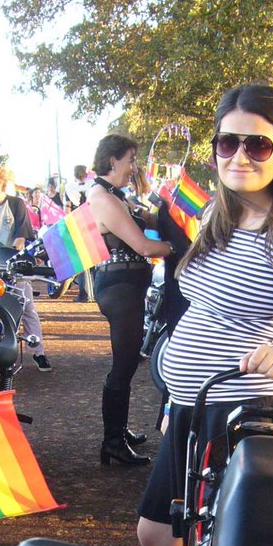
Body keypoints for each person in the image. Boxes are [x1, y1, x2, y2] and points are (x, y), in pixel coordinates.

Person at [136, 83, 273, 546]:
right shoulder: (215, 215)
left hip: (246, 414)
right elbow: (199, 310)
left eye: (257, 144)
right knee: (159, 536)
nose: (239, 156)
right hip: (191, 406)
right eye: (227, 142)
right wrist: (171, 407)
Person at [88, 134, 173, 466]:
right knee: (123, 364)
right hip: (119, 288)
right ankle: (112, 441)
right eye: (130, 160)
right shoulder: (103, 198)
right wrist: (184, 248)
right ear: (112, 161)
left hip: (125, 287)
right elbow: (144, 246)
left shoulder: (112, 194)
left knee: (125, 363)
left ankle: (118, 432)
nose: (133, 167)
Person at [0, 162, 51, 372]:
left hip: (13, 263)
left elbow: (21, 236)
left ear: (1, 182)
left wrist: (14, 255)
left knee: (27, 308)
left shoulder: (15, 204)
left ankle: (39, 352)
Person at [66, 166, 91, 300]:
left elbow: (67, 209)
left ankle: (83, 292)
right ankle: (93, 292)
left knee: (81, 259)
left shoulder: (69, 188)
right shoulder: (94, 185)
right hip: (93, 222)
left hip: (77, 222)